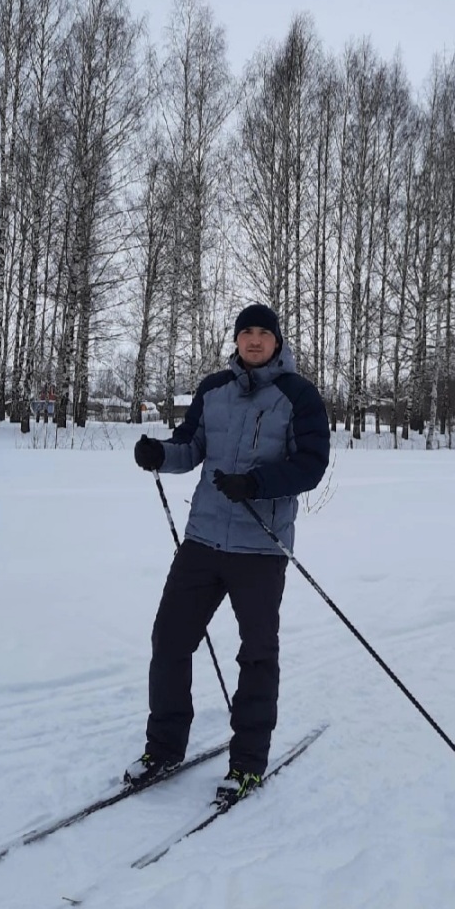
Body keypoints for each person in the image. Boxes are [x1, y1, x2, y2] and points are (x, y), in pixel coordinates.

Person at [126, 303, 330, 802]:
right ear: (236, 340)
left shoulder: (298, 396)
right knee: (170, 640)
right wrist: (160, 455)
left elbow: (311, 465)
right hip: (203, 541)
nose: (255, 340)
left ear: (277, 341)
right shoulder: (212, 389)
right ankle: (164, 748)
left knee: (257, 654)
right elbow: (190, 445)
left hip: (261, 548)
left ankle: (247, 764)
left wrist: (258, 483)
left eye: (264, 332)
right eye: (247, 333)